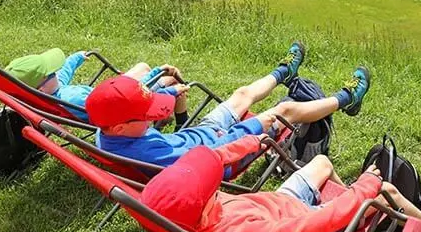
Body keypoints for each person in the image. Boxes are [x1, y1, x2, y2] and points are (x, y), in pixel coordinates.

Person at [141, 143, 421, 232]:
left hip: (281, 203)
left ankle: (364, 209)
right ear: (202, 203)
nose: (214, 186)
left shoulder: (190, 216)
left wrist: (254, 141)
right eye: (209, 186)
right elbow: (313, 226)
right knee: (386, 190)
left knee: (322, 162)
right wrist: (365, 189)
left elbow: (213, 158)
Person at [86, 42, 372, 168]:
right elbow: (210, 158)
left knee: (241, 94)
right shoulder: (151, 155)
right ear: (123, 126)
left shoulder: (107, 132)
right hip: (225, 149)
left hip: (201, 134)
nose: (151, 119)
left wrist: (171, 98)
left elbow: (164, 128)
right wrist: (245, 129)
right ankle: (347, 98)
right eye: (146, 117)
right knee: (282, 112)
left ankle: (284, 73)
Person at [5, 48, 189, 125]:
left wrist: (75, 59)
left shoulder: (52, 95)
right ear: (41, 89)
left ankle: (163, 118)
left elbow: (62, 76)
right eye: (52, 72)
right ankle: (183, 122)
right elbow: (120, 99)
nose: (57, 72)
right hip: (117, 104)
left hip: (106, 94)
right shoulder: (72, 99)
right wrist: (155, 73)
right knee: (170, 78)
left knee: (142, 66)